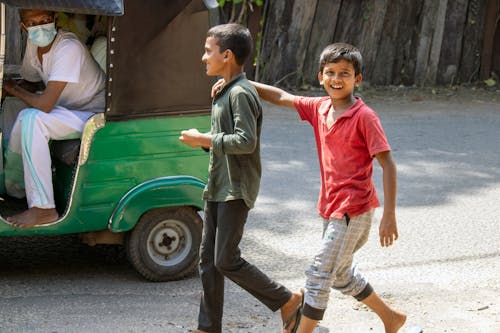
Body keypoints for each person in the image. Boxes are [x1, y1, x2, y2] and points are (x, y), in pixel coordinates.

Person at [213, 42, 407, 332]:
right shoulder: (320, 108)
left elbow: (388, 164)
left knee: (318, 273)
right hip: (332, 208)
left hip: (352, 210)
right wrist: (238, 81)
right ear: (320, 77)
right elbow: (281, 96)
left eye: (345, 73)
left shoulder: (365, 117)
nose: (337, 79)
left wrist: (389, 215)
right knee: (340, 275)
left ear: (358, 79)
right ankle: (391, 317)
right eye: (330, 72)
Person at [179, 23, 303, 333]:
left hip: (236, 189)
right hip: (219, 186)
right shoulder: (226, 89)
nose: (203, 57)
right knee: (207, 260)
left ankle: (286, 300)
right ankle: (208, 328)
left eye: (209, 51)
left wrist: (204, 139)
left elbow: (245, 141)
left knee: (226, 259)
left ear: (228, 55)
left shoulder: (241, 94)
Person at [2, 9, 105, 228]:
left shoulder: (68, 47)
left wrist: (12, 88)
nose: (41, 26)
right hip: (67, 108)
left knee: (32, 119)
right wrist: (9, 90)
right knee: (13, 107)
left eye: (45, 20)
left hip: (93, 114)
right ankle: (15, 187)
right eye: (33, 22)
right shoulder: (34, 44)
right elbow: (31, 82)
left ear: (55, 20)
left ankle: (43, 208)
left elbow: (45, 105)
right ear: (23, 28)